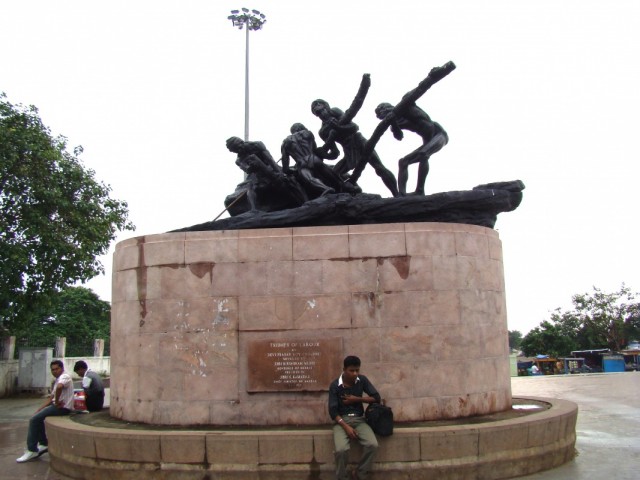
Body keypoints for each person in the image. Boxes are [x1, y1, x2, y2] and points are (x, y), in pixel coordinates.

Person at [311, 74, 399, 197]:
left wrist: (338, 128)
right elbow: (335, 153)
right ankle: (349, 193)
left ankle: (397, 195)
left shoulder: (335, 112)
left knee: (379, 167)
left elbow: (354, 127)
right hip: (348, 150)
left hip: (358, 140)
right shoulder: (323, 131)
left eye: (320, 108)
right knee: (334, 173)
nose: (320, 112)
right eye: (317, 112)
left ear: (326, 106)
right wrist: (323, 153)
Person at [328, 355, 381, 480]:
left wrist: (357, 399)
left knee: (372, 445)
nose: (355, 373)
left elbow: (376, 398)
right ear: (344, 370)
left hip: (359, 420)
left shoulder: (362, 380)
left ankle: (360, 473)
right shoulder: (335, 385)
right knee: (341, 450)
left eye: (357, 370)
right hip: (341, 421)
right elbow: (333, 412)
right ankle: (342, 477)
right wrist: (346, 427)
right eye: (351, 370)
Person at [16, 360, 74, 463]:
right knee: (37, 418)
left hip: (62, 408)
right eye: (52, 370)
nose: (54, 371)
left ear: (62, 368)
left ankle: (31, 450)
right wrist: (39, 409)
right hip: (56, 406)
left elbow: (60, 387)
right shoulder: (57, 379)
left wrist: (57, 402)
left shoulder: (65, 376)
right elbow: (51, 398)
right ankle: (43, 443)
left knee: (33, 420)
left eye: (57, 369)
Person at [281, 123, 357, 197]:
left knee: (310, 179)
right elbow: (314, 149)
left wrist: (292, 171)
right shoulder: (307, 133)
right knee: (330, 174)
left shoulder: (285, 143)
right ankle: (344, 186)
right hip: (313, 158)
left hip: (301, 164)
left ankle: (325, 188)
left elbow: (285, 167)